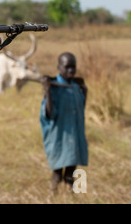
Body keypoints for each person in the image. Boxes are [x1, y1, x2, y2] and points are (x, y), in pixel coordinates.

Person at [39, 52, 88, 194]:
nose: (71, 71)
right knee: (58, 171)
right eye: (67, 67)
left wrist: (85, 91)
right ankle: (53, 195)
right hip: (59, 138)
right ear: (59, 67)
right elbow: (49, 113)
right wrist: (47, 91)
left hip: (74, 137)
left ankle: (72, 195)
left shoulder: (75, 87)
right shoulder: (54, 88)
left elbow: (80, 109)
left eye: (73, 67)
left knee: (72, 170)